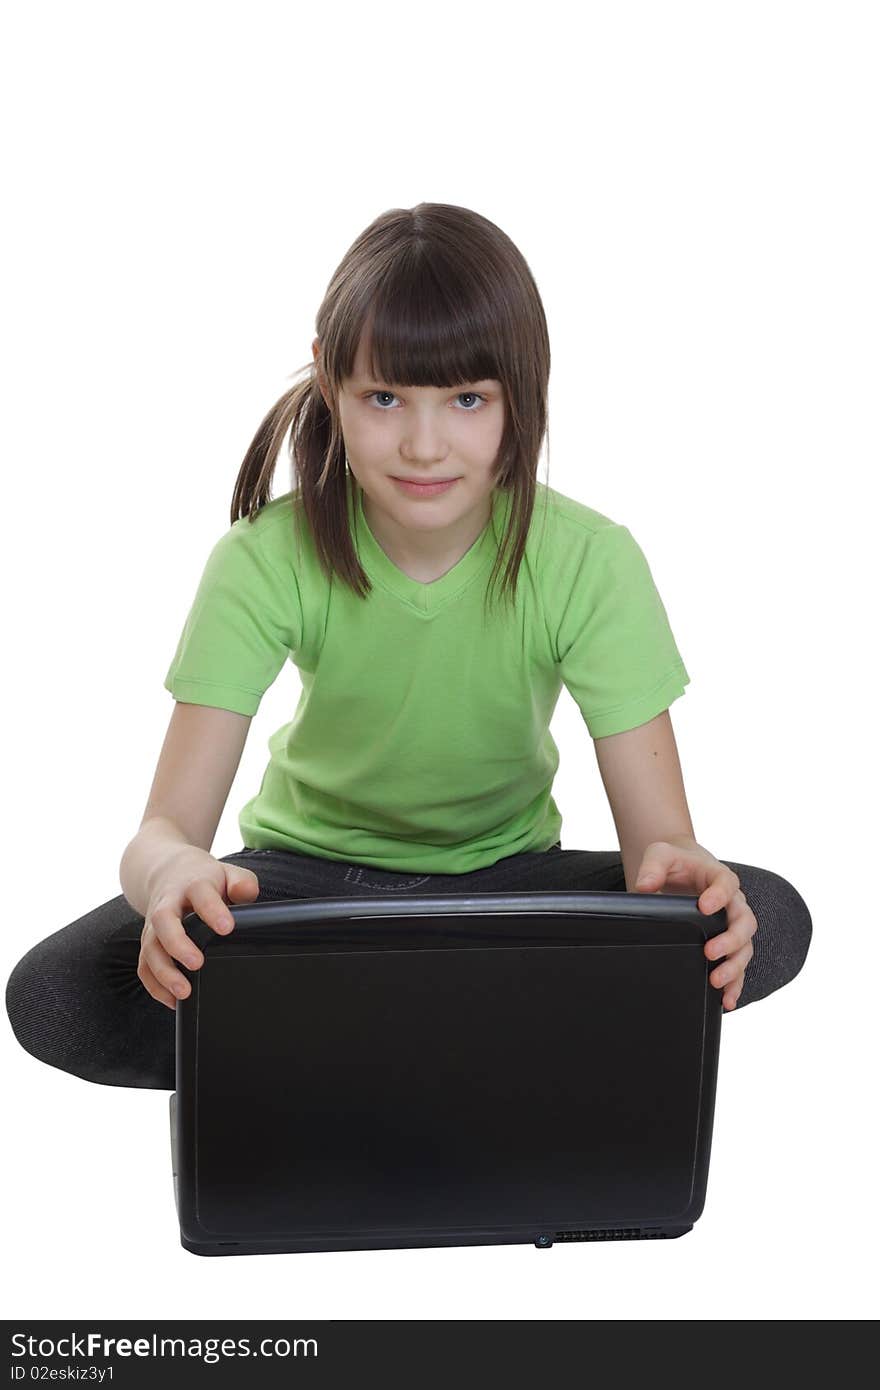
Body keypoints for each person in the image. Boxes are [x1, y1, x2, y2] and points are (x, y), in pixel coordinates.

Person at [5, 202, 812, 1091]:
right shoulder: (263, 559)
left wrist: (690, 886)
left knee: (766, 916)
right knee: (55, 995)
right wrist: (172, 878)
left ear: (521, 393)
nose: (424, 445)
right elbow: (161, 833)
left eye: (467, 400)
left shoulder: (590, 560)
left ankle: (351, 1043)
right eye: (384, 397)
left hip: (503, 890)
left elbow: (662, 854)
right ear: (330, 384)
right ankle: (453, 1041)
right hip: (301, 890)